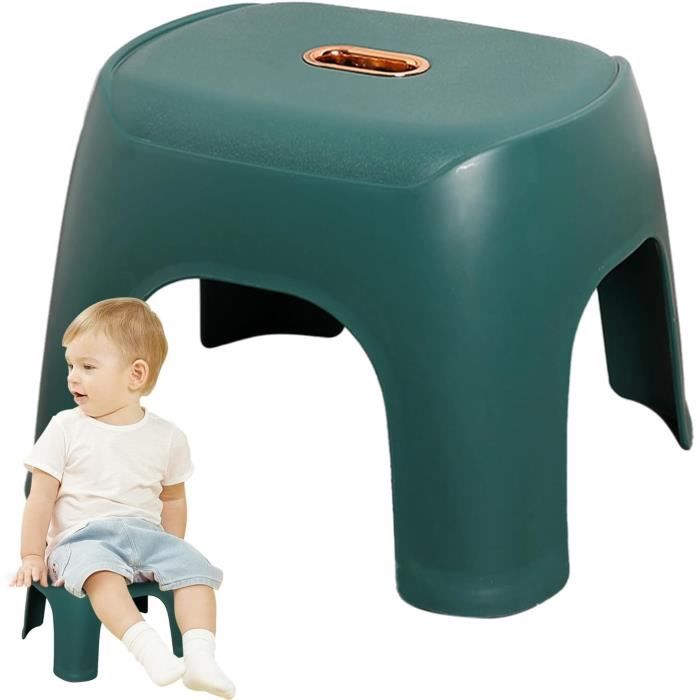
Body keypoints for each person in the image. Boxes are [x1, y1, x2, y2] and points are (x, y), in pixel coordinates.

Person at [10, 297, 235, 699]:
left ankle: (201, 657)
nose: (72, 377)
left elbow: (173, 499)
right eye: (70, 365)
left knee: (197, 574)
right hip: (82, 539)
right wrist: (31, 554)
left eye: (88, 367)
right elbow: (40, 497)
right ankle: (149, 650)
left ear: (135, 375)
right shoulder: (65, 427)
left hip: (147, 536)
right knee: (100, 575)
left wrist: (172, 547)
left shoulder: (168, 437)